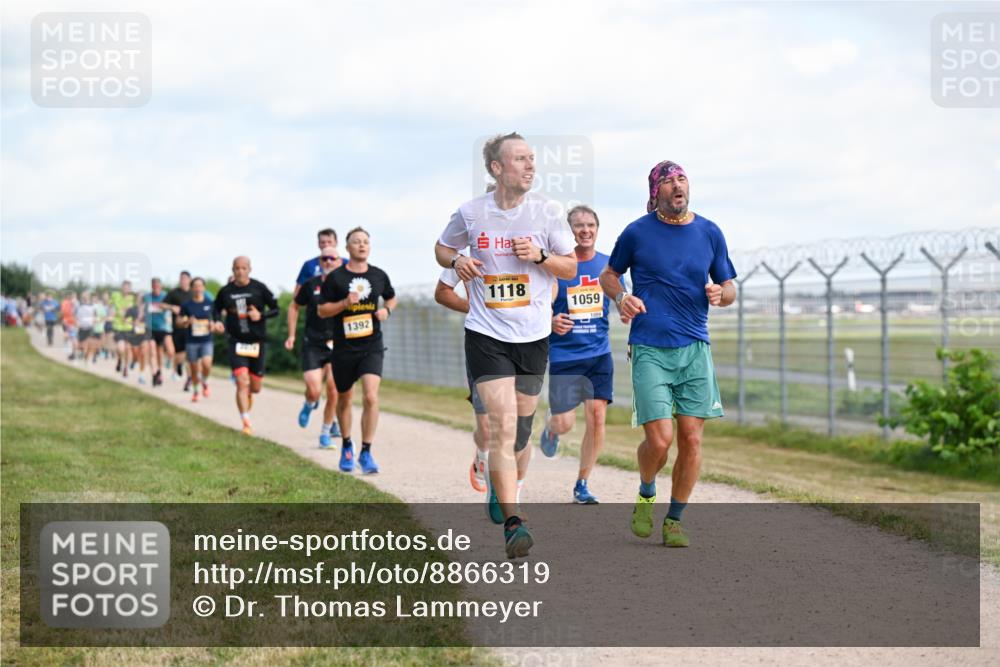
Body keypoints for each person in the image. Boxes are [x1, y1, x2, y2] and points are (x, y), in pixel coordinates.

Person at [435, 132, 576, 558]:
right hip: (486, 332)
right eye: (520, 159)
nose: (530, 166)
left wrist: (538, 257)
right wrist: (458, 260)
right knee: (501, 425)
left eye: (533, 159)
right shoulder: (471, 213)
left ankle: (505, 487)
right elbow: (442, 249)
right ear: (496, 168)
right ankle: (514, 523)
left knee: (520, 435)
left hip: (533, 334)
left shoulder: (548, 211)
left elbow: (568, 267)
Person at [599, 160, 737, 548]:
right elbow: (609, 275)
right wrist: (623, 297)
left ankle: (674, 519)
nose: (678, 185)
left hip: (695, 347)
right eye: (669, 181)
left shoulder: (709, 232)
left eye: (682, 178)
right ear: (655, 192)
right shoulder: (637, 232)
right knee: (660, 441)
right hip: (649, 346)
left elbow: (728, 287)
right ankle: (646, 492)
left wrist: (719, 295)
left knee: (691, 439)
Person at [539, 205, 619, 505]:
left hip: (599, 354)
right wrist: (550, 321)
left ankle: (582, 483)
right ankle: (551, 428)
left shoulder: (608, 265)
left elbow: (619, 296)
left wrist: (627, 310)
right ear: (567, 231)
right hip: (564, 355)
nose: (585, 230)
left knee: (597, 418)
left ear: (597, 229)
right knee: (565, 424)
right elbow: (540, 305)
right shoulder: (559, 267)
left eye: (590, 225)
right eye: (578, 225)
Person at [317, 227, 397, 474]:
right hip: (344, 348)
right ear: (348, 248)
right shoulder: (336, 278)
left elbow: (392, 297)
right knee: (345, 398)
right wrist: (343, 303)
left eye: (365, 242)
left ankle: (366, 451)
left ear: (369, 247)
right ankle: (347, 445)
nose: (362, 245)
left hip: (372, 345)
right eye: (356, 242)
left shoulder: (379, 275)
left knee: (371, 396)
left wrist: (387, 310)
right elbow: (322, 310)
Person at [433, 254, 490, 493]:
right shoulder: (467, 255)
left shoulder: (526, 244)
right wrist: (474, 307)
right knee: (487, 425)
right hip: (482, 342)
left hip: (522, 343)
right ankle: (482, 457)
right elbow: (442, 292)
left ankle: (507, 491)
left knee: (516, 424)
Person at [213, 256, 279, 435]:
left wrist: (261, 315)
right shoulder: (226, 291)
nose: (240, 272)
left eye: (243, 268)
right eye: (237, 268)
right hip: (236, 341)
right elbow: (215, 309)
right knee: (242, 382)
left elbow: (276, 309)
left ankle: (248, 395)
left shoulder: (259, 288)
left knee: (255, 387)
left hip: (257, 342)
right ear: (232, 270)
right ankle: (246, 422)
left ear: (249, 269)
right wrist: (217, 322)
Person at [286, 251, 343, 448]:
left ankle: (325, 434)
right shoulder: (311, 284)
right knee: (314, 389)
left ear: (339, 262)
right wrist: (292, 335)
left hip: (338, 344)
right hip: (313, 343)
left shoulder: (346, 285)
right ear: (320, 262)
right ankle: (309, 403)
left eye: (332, 258)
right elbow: (294, 307)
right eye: (324, 259)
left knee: (334, 390)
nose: (328, 261)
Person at [177, 277, 215, 402]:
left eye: (200, 286)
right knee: (193, 369)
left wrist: (213, 325)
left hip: (206, 340)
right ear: (192, 288)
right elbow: (178, 322)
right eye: (196, 286)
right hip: (191, 341)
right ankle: (196, 391)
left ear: (204, 288)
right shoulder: (186, 305)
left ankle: (204, 381)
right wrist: (187, 321)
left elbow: (216, 320)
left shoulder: (210, 304)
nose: (198, 288)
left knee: (206, 364)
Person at [294, 228, 343, 296]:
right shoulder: (309, 265)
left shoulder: (346, 263)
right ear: (318, 244)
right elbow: (297, 293)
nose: (326, 245)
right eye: (323, 242)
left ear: (336, 242)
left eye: (329, 241)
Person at [164, 271, 192, 388]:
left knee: (190, 353)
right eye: (181, 279)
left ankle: (189, 379)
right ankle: (179, 365)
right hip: (177, 328)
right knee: (179, 353)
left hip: (192, 328)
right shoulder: (174, 293)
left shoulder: (193, 293)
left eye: (185, 278)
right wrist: (172, 307)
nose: (183, 281)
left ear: (189, 280)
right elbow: (162, 305)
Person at [144, 278, 173, 387]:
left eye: (157, 286)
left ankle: (160, 371)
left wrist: (166, 306)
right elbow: (142, 309)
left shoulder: (166, 296)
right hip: (150, 328)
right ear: (151, 286)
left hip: (163, 328)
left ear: (161, 286)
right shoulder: (147, 297)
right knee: (152, 351)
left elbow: (172, 307)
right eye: (153, 286)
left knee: (164, 352)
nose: (155, 287)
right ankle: (154, 373)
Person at [110, 281, 137, 377]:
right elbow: (111, 307)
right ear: (121, 288)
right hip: (118, 326)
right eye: (124, 287)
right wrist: (112, 313)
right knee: (120, 348)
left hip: (129, 327)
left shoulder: (133, 299)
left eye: (127, 287)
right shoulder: (115, 295)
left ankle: (125, 368)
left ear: (130, 289)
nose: (125, 289)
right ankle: (119, 360)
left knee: (127, 348)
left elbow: (136, 311)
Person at [59, 292, 78, 358]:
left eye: (75, 298)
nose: (74, 299)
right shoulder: (66, 303)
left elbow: (77, 314)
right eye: (73, 297)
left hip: (71, 323)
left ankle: (72, 353)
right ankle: (68, 350)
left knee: (71, 337)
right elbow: (62, 312)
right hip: (68, 322)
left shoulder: (75, 305)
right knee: (68, 336)